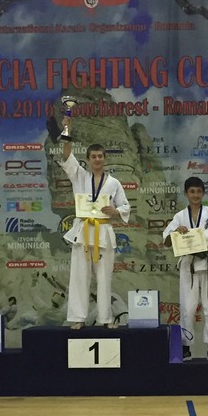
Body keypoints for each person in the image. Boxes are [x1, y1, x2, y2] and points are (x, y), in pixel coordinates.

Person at [59, 118, 130, 328]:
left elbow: (125, 206)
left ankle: (105, 318)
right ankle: (78, 318)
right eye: (93, 156)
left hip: (103, 231)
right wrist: (67, 130)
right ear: (88, 160)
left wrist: (115, 211)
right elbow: (66, 155)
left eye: (100, 156)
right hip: (83, 231)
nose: (97, 159)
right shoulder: (80, 176)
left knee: (104, 278)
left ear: (105, 159)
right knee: (80, 277)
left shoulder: (114, 183)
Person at [163, 176, 208, 361]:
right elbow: (166, 241)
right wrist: (175, 233)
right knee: (187, 308)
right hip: (188, 264)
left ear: (203, 193)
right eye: (192, 191)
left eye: (198, 191)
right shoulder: (180, 216)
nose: (195, 195)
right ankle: (185, 346)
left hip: (207, 264)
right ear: (186, 193)